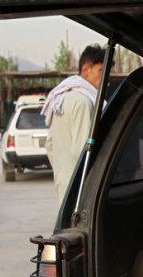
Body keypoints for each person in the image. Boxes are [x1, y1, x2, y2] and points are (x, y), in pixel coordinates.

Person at [43, 44, 107, 205]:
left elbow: (50, 145)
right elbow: (82, 151)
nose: (106, 78)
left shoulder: (61, 98)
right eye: (101, 71)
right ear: (86, 69)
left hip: (64, 183)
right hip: (80, 190)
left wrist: (62, 171)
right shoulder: (84, 102)